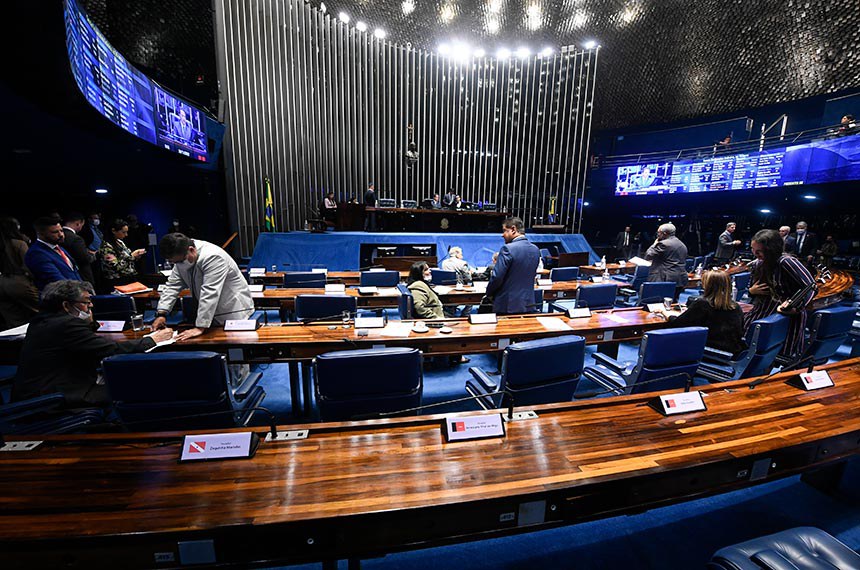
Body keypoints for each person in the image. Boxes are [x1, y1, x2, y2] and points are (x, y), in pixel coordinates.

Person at [12, 280, 173, 409]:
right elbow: (110, 349)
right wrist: (152, 340)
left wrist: (89, 322)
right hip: (57, 396)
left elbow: (85, 344)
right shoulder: (66, 325)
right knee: (140, 387)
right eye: (86, 302)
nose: (91, 306)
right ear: (66, 306)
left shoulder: (41, 320)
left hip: (41, 391)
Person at [152, 233, 254, 340]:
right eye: (175, 262)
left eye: (180, 261)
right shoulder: (181, 254)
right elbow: (172, 286)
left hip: (232, 311)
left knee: (231, 344)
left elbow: (209, 292)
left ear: (191, 250)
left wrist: (200, 327)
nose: (179, 264)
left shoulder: (213, 257)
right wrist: (162, 313)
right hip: (209, 314)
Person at [744, 229, 815, 358]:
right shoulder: (758, 264)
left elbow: (811, 286)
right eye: (753, 249)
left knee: (777, 354)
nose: (755, 254)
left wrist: (795, 306)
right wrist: (751, 291)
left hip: (786, 316)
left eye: (759, 251)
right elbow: (751, 289)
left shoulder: (786, 261)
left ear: (771, 249)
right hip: (763, 310)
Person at [660, 270, 746, 357]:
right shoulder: (736, 306)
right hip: (733, 351)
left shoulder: (703, 304)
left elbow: (678, 325)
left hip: (711, 351)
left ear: (708, 286)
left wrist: (667, 314)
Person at [485, 217, 541, 314]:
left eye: (504, 231)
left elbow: (497, 277)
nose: (502, 235)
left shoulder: (507, 249)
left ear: (513, 229)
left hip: (508, 304)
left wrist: (489, 293)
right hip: (529, 303)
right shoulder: (535, 249)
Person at [24, 215, 82, 290]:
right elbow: (56, 280)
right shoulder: (36, 253)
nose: (61, 235)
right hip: (62, 294)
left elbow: (73, 272)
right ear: (41, 234)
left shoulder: (59, 247)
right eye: (55, 232)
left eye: (61, 231)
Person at [0, 226, 38, 328]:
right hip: (19, 282)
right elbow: (29, 267)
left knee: (14, 322)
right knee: (45, 310)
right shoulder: (18, 244)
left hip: (1, 282)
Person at [644, 222, 688, 301]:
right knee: (673, 302)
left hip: (665, 279)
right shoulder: (681, 244)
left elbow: (648, 255)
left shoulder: (663, 244)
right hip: (680, 279)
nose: (657, 235)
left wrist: (655, 243)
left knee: (658, 302)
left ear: (664, 233)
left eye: (658, 232)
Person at [99, 219, 146, 292]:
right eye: (123, 232)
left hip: (128, 278)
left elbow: (127, 257)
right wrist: (132, 257)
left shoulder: (120, 242)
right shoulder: (106, 247)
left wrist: (136, 256)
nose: (126, 235)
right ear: (114, 231)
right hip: (116, 281)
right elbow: (116, 266)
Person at [62, 212, 95, 285]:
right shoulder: (76, 239)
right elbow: (85, 258)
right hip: (81, 275)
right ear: (78, 223)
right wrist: (92, 255)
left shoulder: (58, 236)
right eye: (82, 225)